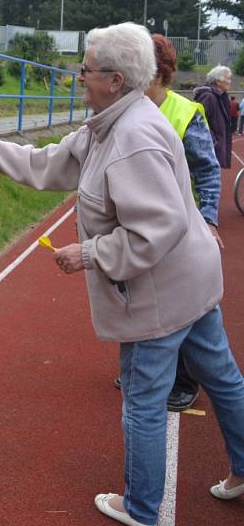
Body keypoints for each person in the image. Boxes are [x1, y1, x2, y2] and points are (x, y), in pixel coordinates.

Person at [0, 22, 244, 526]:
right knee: (221, 377)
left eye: (84, 70)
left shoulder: (132, 138)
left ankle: (143, 508)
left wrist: (87, 254)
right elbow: (48, 164)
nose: (77, 76)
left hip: (163, 294)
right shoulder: (109, 123)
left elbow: (155, 230)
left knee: (144, 401)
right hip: (187, 282)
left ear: (115, 80)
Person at [118, 34, 223, 413]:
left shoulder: (185, 112)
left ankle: (184, 381)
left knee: (180, 308)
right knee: (136, 298)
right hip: (138, 225)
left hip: (180, 228)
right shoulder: (126, 107)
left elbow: (208, 172)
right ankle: (140, 370)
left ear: (158, 73)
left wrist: (209, 220)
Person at [194, 66, 233, 168]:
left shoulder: (221, 97)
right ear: (218, 81)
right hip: (209, 150)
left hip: (213, 150)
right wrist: (213, 142)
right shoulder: (209, 97)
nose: (230, 81)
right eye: (227, 78)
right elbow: (199, 123)